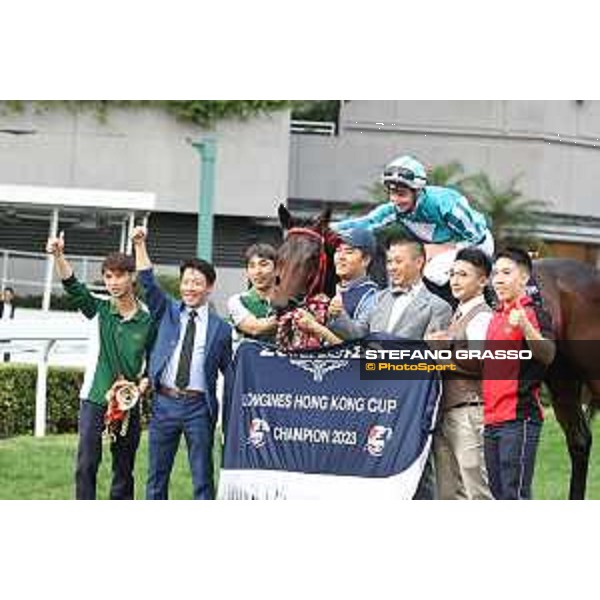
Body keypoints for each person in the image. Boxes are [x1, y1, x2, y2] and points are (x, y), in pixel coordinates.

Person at [335, 237, 452, 500]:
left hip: (410, 406)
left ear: (419, 262)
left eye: (398, 261)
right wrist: (337, 316)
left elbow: (431, 360)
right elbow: (356, 334)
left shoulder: (438, 307)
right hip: (372, 401)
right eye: (389, 261)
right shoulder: (378, 299)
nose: (391, 267)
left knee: (415, 473)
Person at [45, 232, 154, 500]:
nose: (113, 282)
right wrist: (59, 255)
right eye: (108, 276)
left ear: (132, 277)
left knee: (123, 469)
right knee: (86, 466)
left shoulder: (148, 318)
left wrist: (140, 388)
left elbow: (153, 363)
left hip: (128, 402)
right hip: (94, 399)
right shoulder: (99, 309)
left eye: (119, 275)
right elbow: (73, 286)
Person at [131, 226, 232, 500]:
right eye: (186, 281)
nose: (190, 288)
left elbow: (232, 373)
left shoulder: (221, 329)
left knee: (202, 477)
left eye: (197, 282)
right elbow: (148, 283)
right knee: (156, 477)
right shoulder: (167, 310)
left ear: (209, 287)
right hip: (164, 403)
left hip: (199, 407)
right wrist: (140, 244)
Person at [332, 155, 494, 291]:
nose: (395, 200)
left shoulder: (446, 204)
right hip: (439, 248)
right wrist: (329, 229)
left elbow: (477, 236)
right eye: (392, 194)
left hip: (476, 243)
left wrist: (442, 249)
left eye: (401, 194)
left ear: (417, 191)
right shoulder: (395, 208)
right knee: (401, 268)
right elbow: (368, 222)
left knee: (434, 272)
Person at [483, 247, 555, 500]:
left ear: (524, 278)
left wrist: (524, 325)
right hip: (491, 421)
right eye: (495, 273)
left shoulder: (534, 312)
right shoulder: (495, 317)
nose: (498, 279)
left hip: (519, 419)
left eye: (506, 272)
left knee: (515, 495)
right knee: (497, 494)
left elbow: (547, 354)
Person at [427, 248, 493, 500]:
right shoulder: (460, 314)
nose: (455, 280)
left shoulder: (482, 316)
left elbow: (480, 361)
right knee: (448, 492)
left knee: (475, 489)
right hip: (450, 410)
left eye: (463, 274)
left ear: (483, 280)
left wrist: (439, 353)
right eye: (452, 274)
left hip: (469, 411)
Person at [327, 228, 379, 336]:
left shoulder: (372, 296)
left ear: (365, 260)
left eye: (348, 252)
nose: (341, 257)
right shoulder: (327, 291)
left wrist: (339, 314)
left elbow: (360, 338)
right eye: (337, 251)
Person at [227, 243, 278, 345]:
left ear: (277, 269)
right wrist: (288, 316)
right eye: (252, 266)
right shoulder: (237, 301)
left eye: (263, 264)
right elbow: (254, 328)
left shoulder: (289, 300)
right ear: (247, 272)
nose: (257, 271)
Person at [1, 287, 16, 362]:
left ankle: (6, 366)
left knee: (7, 350)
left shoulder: (13, 306)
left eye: (9, 295)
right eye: (5, 295)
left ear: (12, 296)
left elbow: (11, 318)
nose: (7, 297)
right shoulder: (0, 304)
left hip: (7, 331)